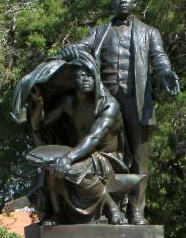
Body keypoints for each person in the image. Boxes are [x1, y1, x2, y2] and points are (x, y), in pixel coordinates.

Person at [60, 0, 179, 224]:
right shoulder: (100, 32)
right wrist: (71, 48)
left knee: (138, 155)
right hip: (106, 100)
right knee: (102, 152)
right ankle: (105, 207)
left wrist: (166, 73)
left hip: (137, 100)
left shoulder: (149, 32)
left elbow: (159, 57)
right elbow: (82, 47)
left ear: (134, 1)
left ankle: (136, 210)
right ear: (112, 2)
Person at [10, 51, 132, 225]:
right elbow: (41, 125)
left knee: (72, 167)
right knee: (51, 167)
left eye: (90, 75)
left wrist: (68, 158)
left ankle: (111, 207)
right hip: (81, 153)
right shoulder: (69, 102)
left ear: (96, 78)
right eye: (81, 75)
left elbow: (94, 137)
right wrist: (37, 104)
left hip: (107, 158)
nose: (86, 79)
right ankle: (57, 213)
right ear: (73, 79)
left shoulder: (109, 105)